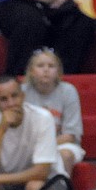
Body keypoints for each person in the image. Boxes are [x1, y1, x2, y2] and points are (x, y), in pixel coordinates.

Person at [22, 47, 85, 175]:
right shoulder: (22, 92)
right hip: (28, 145)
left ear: (58, 71)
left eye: (51, 66)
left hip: (61, 143)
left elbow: (70, 135)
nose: (46, 70)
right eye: (40, 66)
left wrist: (43, 146)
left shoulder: (68, 91)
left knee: (65, 155)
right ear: (31, 71)